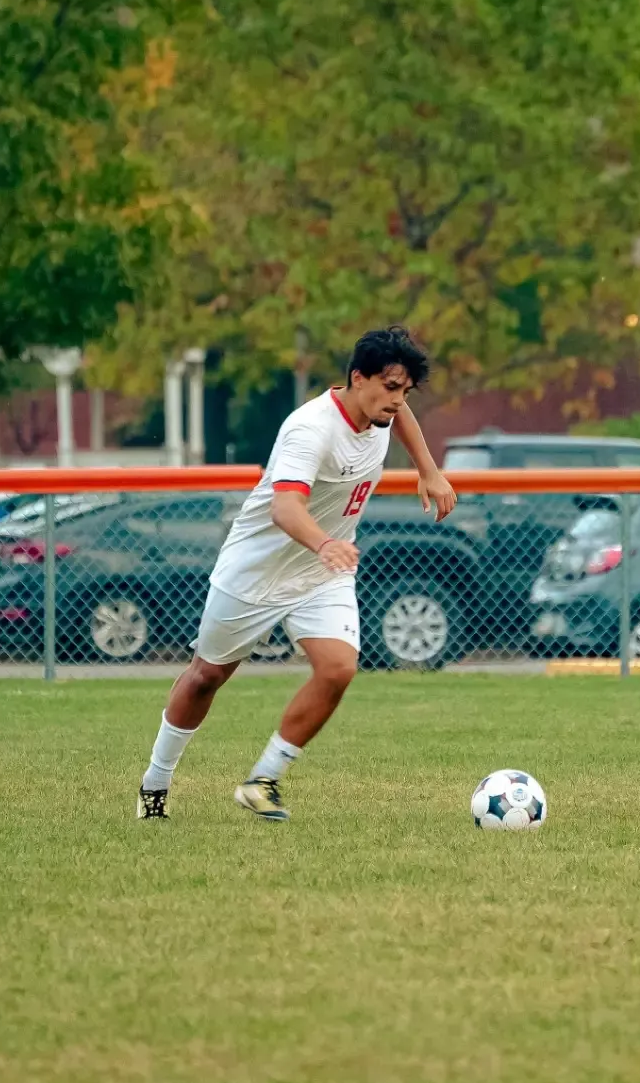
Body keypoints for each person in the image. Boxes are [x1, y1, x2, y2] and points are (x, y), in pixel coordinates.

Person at [137, 326, 456, 822]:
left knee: (338, 669)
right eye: (391, 387)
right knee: (206, 677)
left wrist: (428, 470)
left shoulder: (382, 410)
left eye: (405, 390)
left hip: (321, 572)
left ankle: (262, 781)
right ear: (358, 377)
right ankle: (155, 784)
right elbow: (285, 509)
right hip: (257, 571)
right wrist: (326, 542)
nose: (398, 401)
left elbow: (403, 416)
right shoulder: (311, 429)